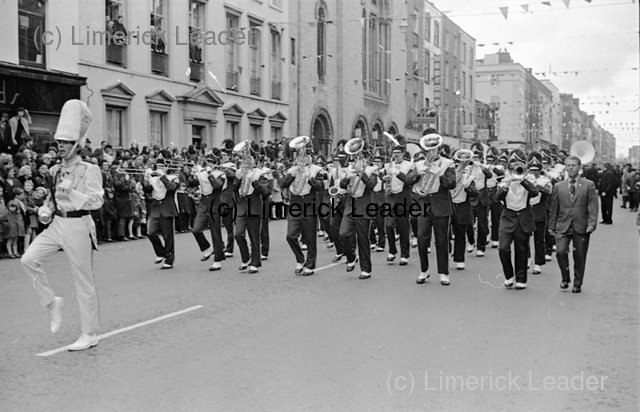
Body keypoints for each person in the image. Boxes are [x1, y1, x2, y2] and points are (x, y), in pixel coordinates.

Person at [21, 99, 104, 351]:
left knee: (83, 282)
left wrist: (73, 194)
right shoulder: (55, 170)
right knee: (28, 260)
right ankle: (51, 302)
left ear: (76, 144)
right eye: (59, 142)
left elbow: (97, 201)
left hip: (79, 225)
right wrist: (46, 210)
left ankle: (89, 333)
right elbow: (51, 199)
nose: (61, 146)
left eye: (66, 142)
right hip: (57, 224)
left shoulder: (89, 169)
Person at [548, 155, 599, 293]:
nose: (571, 168)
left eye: (573, 165)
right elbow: (554, 208)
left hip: (581, 226)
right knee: (560, 252)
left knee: (580, 256)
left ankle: (577, 283)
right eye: (568, 165)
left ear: (579, 167)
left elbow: (593, 206)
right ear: (565, 167)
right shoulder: (558, 186)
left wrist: (591, 223)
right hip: (563, 225)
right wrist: (551, 226)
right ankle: (565, 278)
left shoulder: (588, 185)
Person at [495, 150, 539, 290]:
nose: (515, 170)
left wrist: (522, 180)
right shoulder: (504, 180)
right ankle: (509, 276)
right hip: (507, 218)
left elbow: (535, 192)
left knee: (521, 250)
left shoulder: (529, 179)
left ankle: (521, 279)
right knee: (503, 248)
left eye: (518, 168)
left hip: (523, 219)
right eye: (512, 167)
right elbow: (497, 197)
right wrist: (507, 183)